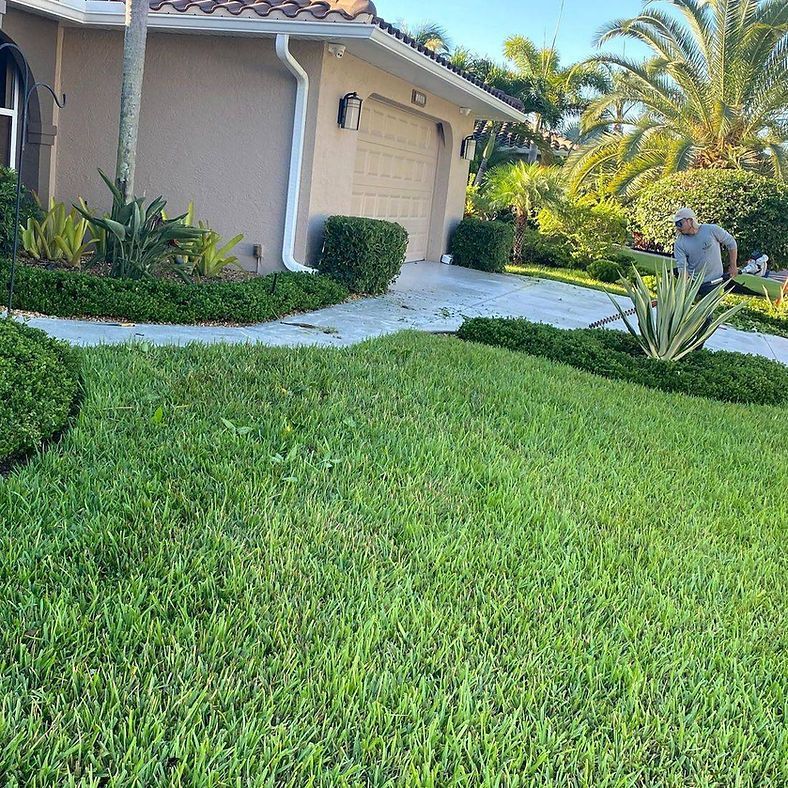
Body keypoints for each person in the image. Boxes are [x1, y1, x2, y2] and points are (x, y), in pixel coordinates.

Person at [673, 207, 738, 297]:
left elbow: (731, 243)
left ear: (690, 221)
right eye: (676, 224)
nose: (677, 227)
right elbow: (682, 267)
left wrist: (733, 265)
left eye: (680, 223)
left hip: (716, 280)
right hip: (695, 283)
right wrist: (684, 288)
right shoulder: (679, 243)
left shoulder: (711, 230)